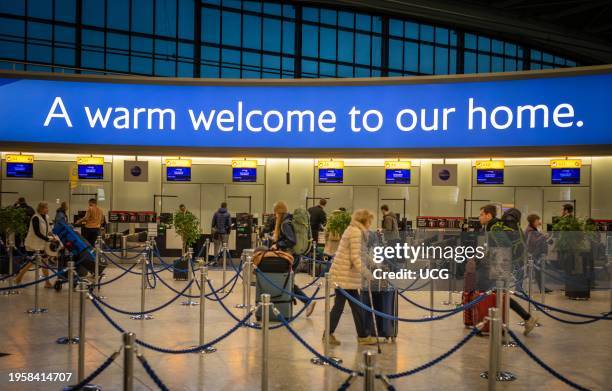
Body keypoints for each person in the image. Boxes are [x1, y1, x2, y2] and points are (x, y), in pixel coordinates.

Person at [478, 204, 538, 336]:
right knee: (500, 295)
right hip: (500, 265)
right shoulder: (493, 226)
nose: (479, 217)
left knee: (498, 295)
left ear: (489, 215)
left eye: (481, 214)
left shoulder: (494, 228)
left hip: (500, 266)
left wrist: (491, 259)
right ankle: (524, 318)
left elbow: (505, 245)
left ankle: (521, 320)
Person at [326, 209, 377, 346]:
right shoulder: (356, 232)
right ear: (364, 220)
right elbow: (355, 257)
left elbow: (361, 253)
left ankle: (360, 335)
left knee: (347, 306)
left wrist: (373, 264)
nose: (370, 223)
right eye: (369, 220)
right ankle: (362, 336)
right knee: (351, 306)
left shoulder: (354, 230)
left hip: (345, 276)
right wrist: (367, 274)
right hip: (345, 276)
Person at [271, 201, 316, 317]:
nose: (274, 216)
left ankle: (307, 302)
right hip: (295, 256)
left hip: (291, 257)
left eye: (275, 213)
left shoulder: (285, 223)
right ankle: (303, 302)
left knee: (288, 283)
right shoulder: (289, 221)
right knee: (288, 282)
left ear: (278, 212)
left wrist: (278, 244)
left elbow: (291, 241)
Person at [15, 202, 54, 288]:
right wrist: (48, 239)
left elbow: (49, 229)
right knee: (32, 262)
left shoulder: (46, 217)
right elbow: (37, 233)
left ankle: (47, 282)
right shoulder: (35, 218)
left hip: (42, 244)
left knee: (44, 261)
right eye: (46, 208)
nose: (47, 209)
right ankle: (18, 278)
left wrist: (53, 236)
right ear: (41, 208)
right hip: (33, 244)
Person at [525, 214, 551, 293]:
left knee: (539, 272)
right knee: (536, 272)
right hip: (534, 254)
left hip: (536, 254)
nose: (539, 222)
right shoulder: (530, 230)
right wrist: (544, 236)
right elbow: (534, 241)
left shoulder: (533, 229)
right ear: (533, 221)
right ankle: (541, 289)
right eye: (537, 220)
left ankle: (542, 288)